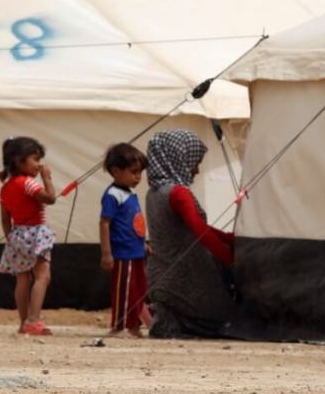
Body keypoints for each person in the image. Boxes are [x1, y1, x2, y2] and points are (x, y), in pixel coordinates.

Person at [144, 129, 236, 338]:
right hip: (185, 278)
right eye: (194, 162)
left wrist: (229, 238)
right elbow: (199, 230)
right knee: (222, 319)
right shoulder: (178, 193)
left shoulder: (154, 193)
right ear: (179, 157)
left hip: (161, 276)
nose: (196, 170)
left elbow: (190, 227)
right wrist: (228, 257)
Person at [0, 136, 57, 336]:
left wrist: (10, 239)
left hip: (16, 234)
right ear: (18, 159)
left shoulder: (5, 188)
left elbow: (5, 219)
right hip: (35, 233)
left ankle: (24, 322)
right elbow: (50, 199)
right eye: (35, 159)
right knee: (43, 275)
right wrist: (47, 178)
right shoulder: (29, 183)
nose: (38, 164)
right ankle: (34, 320)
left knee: (22, 279)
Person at [100, 142, 152, 337]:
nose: (138, 177)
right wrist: (106, 253)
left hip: (136, 251)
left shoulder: (131, 192)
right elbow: (105, 223)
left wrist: (144, 242)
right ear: (116, 171)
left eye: (140, 172)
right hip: (123, 253)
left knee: (138, 290)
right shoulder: (113, 195)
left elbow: (135, 221)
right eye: (134, 172)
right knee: (124, 291)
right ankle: (119, 326)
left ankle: (134, 325)